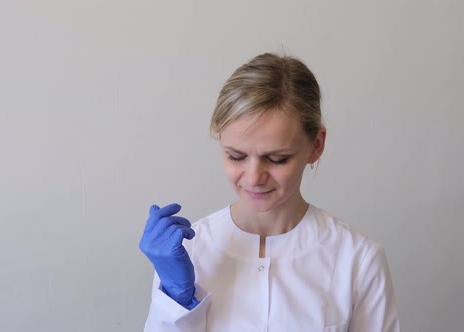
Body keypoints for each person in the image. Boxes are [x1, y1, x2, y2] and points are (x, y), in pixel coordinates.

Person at [139, 53, 400, 332]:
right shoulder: (189, 251)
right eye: (236, 156)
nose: (254, 178)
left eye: (277, 159)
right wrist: (175, 299)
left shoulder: (357, 260)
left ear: (316, 145)